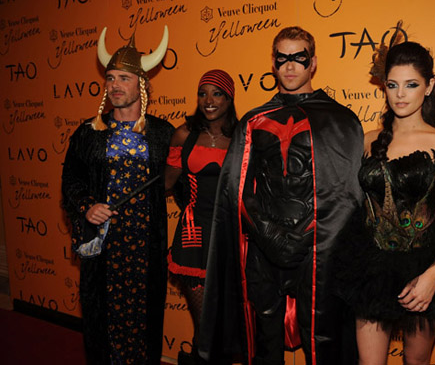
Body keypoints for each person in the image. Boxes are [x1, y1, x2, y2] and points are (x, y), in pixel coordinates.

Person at [199, 26, 364, 365]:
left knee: (323, 341)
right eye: (282, 58)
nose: (290, 66)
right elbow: (237, 188)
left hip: (317, 251)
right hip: (263, 247)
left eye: (298, 58)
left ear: (313, 62)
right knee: (263, 342)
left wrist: (305, 236)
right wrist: (267, 232)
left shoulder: (340, 121)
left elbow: (345, 196)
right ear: (273, 64)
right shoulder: (254, 120)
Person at [334, 25, 435, 365]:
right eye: (392, 85)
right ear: (384, 87)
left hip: (425, 264)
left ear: (429, 86)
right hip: (368, 265)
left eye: (412, 84)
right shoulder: (367, 139)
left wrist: (433, 277)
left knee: (416, 362)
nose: (400, 94)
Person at [61, 26, 174, 364]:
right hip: (104, 246)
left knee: (144, 319)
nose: (114, 86)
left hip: (145, 245)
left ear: (140, 84)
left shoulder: (163, 133)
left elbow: (182, 181)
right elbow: (70, 182)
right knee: (102, 319)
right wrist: (86, 207)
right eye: (110, 78)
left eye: (124, 78)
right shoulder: (88, 133)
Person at [164, 69, 237, 365]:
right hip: (193, 236)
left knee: (226, 323)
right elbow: (166, 184)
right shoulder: (185, 134)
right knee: (204, 322)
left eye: (216, 93)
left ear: (229, 98)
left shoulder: (240, 137)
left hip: (228, 236)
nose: (208, 100)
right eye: (202, 93)